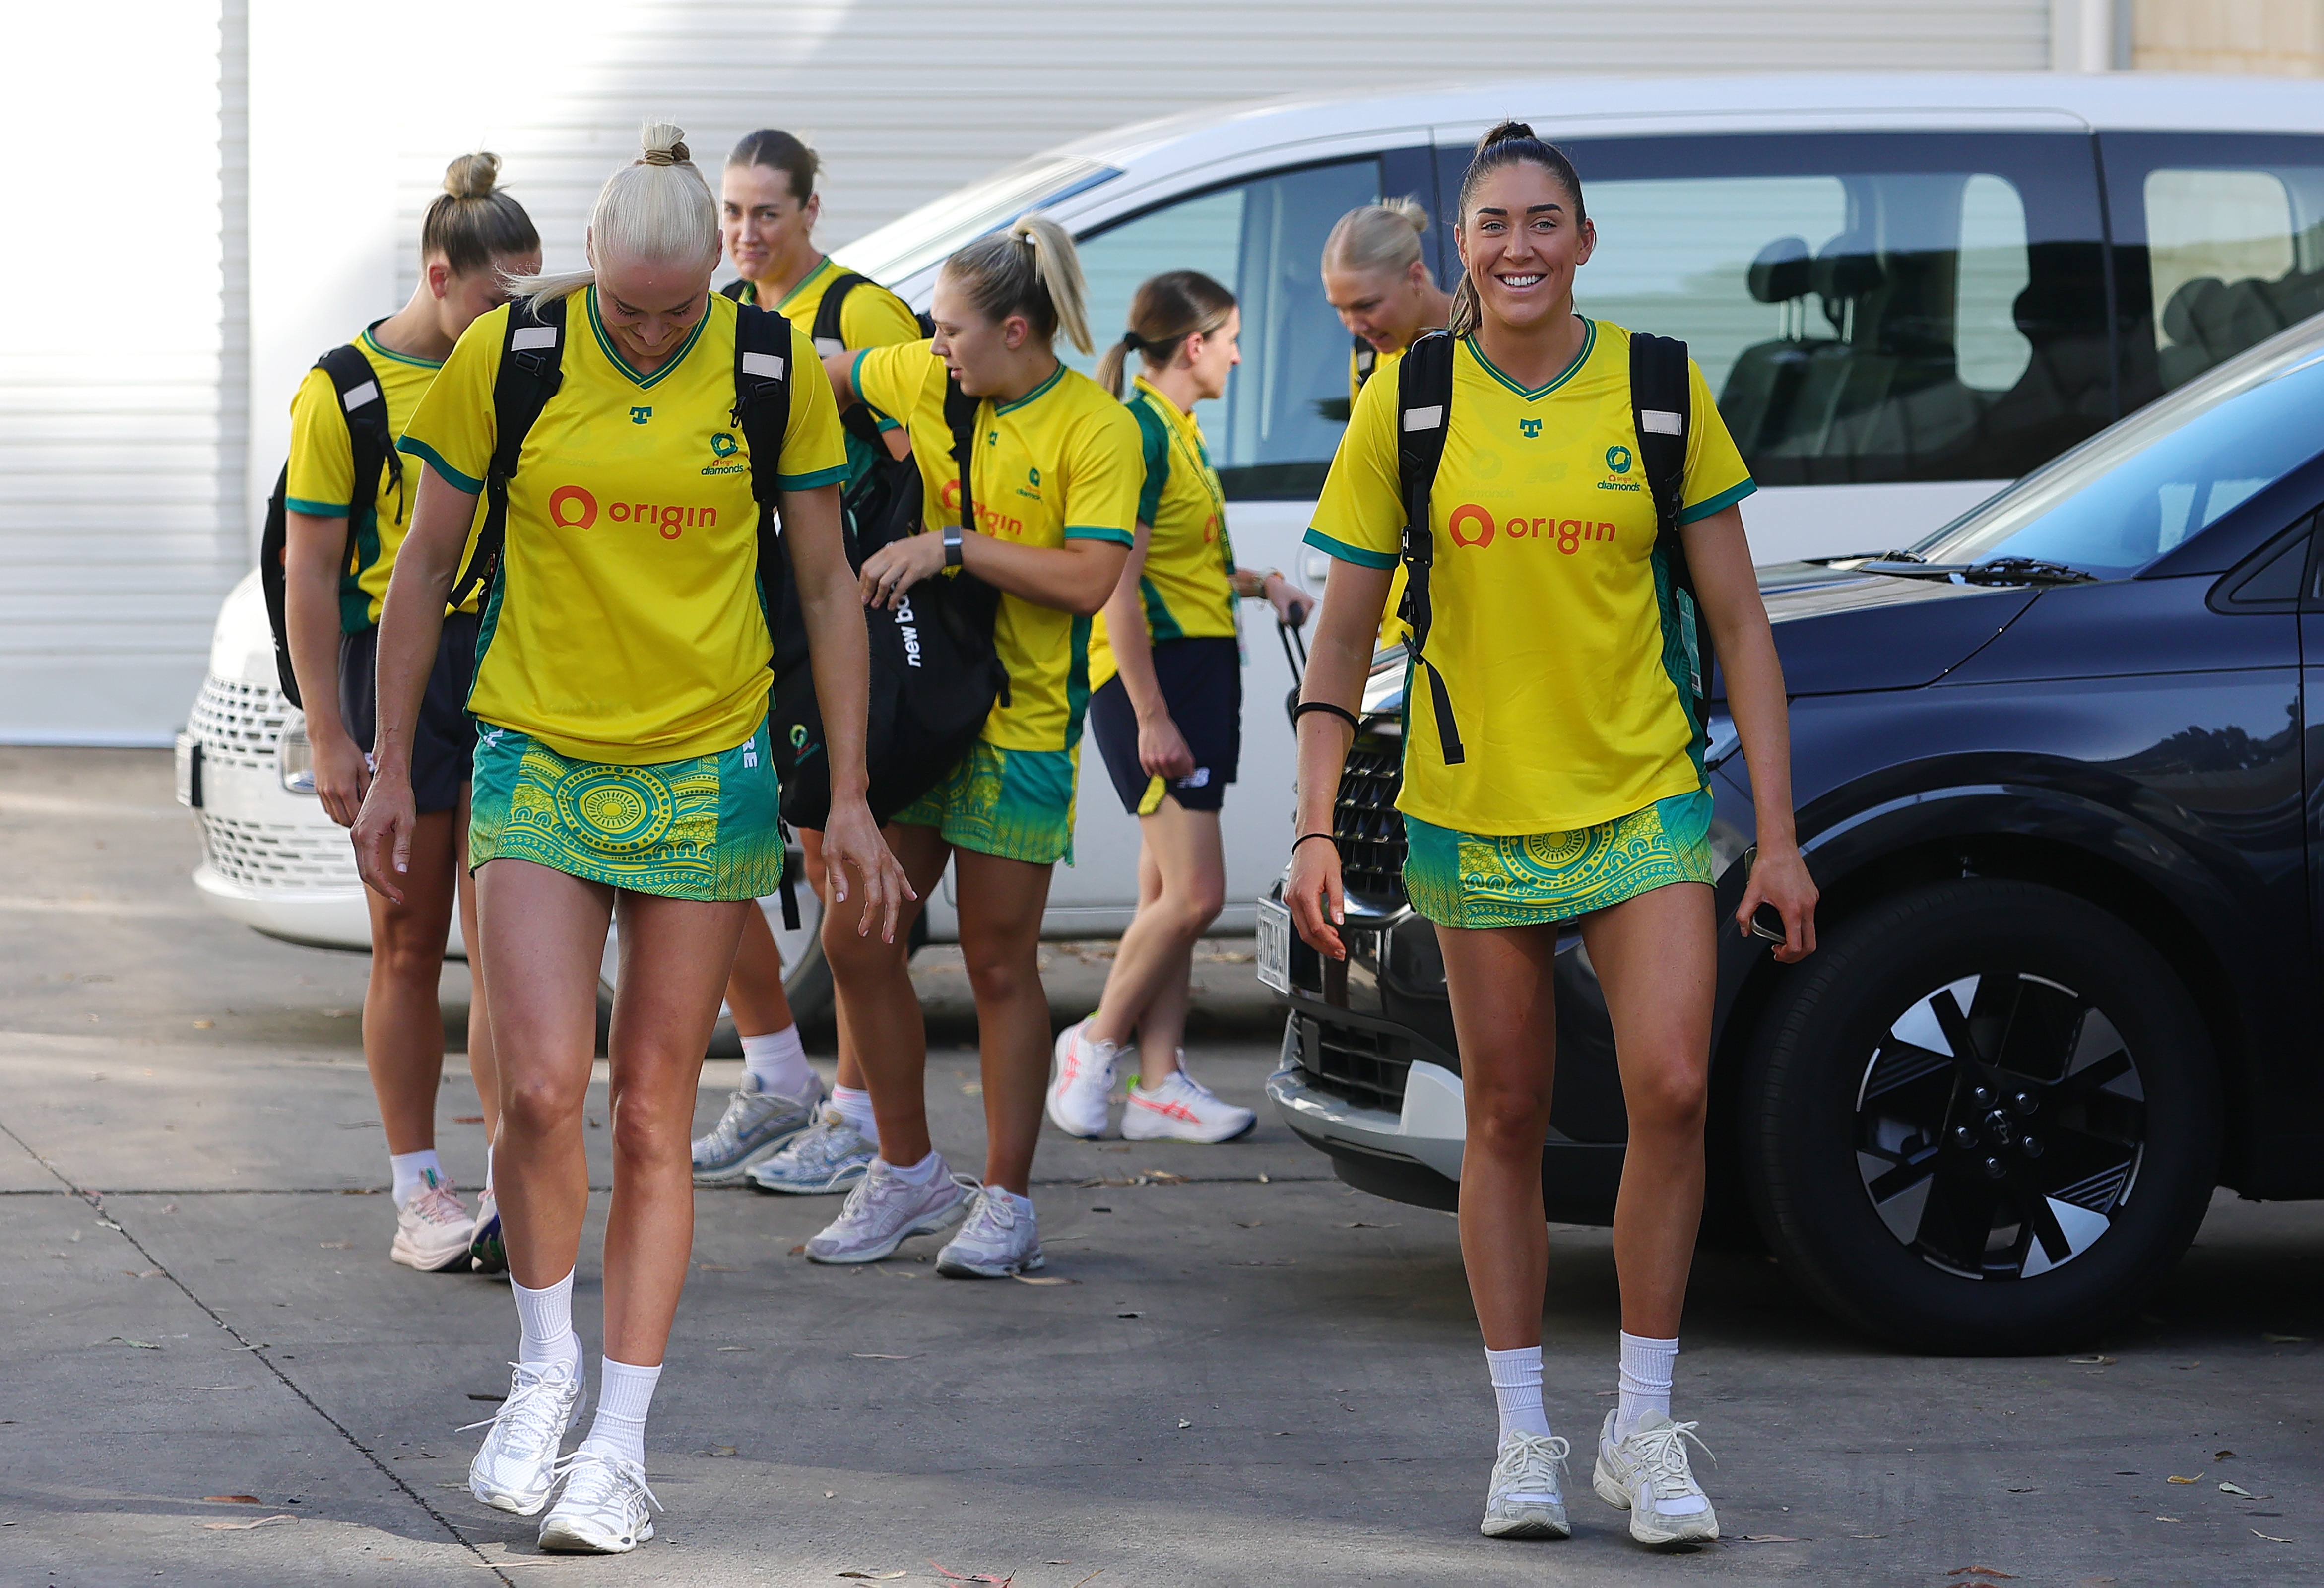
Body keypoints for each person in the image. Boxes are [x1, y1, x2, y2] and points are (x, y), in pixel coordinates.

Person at [353, 121, 908, 1555]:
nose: (657, 333)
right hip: (534, 753)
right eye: (632, 307)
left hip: (706, 768)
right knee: (540, 1091)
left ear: (717, 280)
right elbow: (421, 563)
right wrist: (389, 772)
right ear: (592, 264)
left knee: (659, 1115)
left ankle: (620, 1448)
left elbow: (828, 590)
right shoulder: (514, 358)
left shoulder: (770, 370)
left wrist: (843, 793)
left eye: (683, 311)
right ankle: (543, 1376)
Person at [1283, 123, 1818, 1549]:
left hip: (1641, 796)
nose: (1516, 247)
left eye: (1542, 222)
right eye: (1491, 224)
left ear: (1583, 242)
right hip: (1471, 811)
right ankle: (1524, 1437)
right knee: (1505, 1114)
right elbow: (1340, 631)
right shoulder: (1405, 403)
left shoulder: (1656, 387)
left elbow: (1738, 624)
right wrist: (1314, 827)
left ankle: (1642, 1430)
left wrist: (1774, 836)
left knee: (1673, 1088)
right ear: (1458, 248)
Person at [803, 216, 1141, 1278]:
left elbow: (1090, 578)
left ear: (1016, 328)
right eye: (931, 332)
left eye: (951, 331)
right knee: (858, 934)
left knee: (998, 964)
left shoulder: (1096, 428)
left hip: (1021, 725)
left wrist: (949, 546)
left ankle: (1006, 1199)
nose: (933, 347)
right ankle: (906, 1170)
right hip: (916, 710)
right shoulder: (921, 374)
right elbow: (831, 368)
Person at [282, 152, 539, 1274]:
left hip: (508, 665)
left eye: (529, 303)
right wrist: (334, 732)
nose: (515, 322)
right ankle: (417, 1188)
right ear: (440, 277)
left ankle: (507, 1188)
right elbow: (308, 569)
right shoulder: (341, 392)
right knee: (406, 938)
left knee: (509, 950)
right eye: (497, 300)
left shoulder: (523, 365)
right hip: (396, 671)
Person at [689, 128, 925, 1197]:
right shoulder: (715, 318)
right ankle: (779, 1076)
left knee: (838, 867)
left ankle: (857, 1114)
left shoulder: (857, 315)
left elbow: (925, 452)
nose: (744, 232)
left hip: (835, 618)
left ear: (810, 214)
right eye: (731, 213)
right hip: (738, 621)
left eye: (766, 213)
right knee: (725, 850)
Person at [1045, 271, 1310, 1143]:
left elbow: (1177, 568)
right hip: (1150, 680)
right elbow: (1115, 582)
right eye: (1230, 337)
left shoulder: (1178, 430)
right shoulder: (1141, 434)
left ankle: (1160, 1083)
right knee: (1195, 894)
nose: (1238, 352)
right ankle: (1094, 1041)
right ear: (1192, 346)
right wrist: (1149, 712)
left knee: (1163, 890)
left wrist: (1257, 582)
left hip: (1194, 671)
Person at [1320, 198, 1452, 648]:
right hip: (1403, 626)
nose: (1354, 324)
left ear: (1416, 277)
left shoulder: (1486, 345)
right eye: (1340, 308)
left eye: (1367, 305)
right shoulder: (1367, 361)